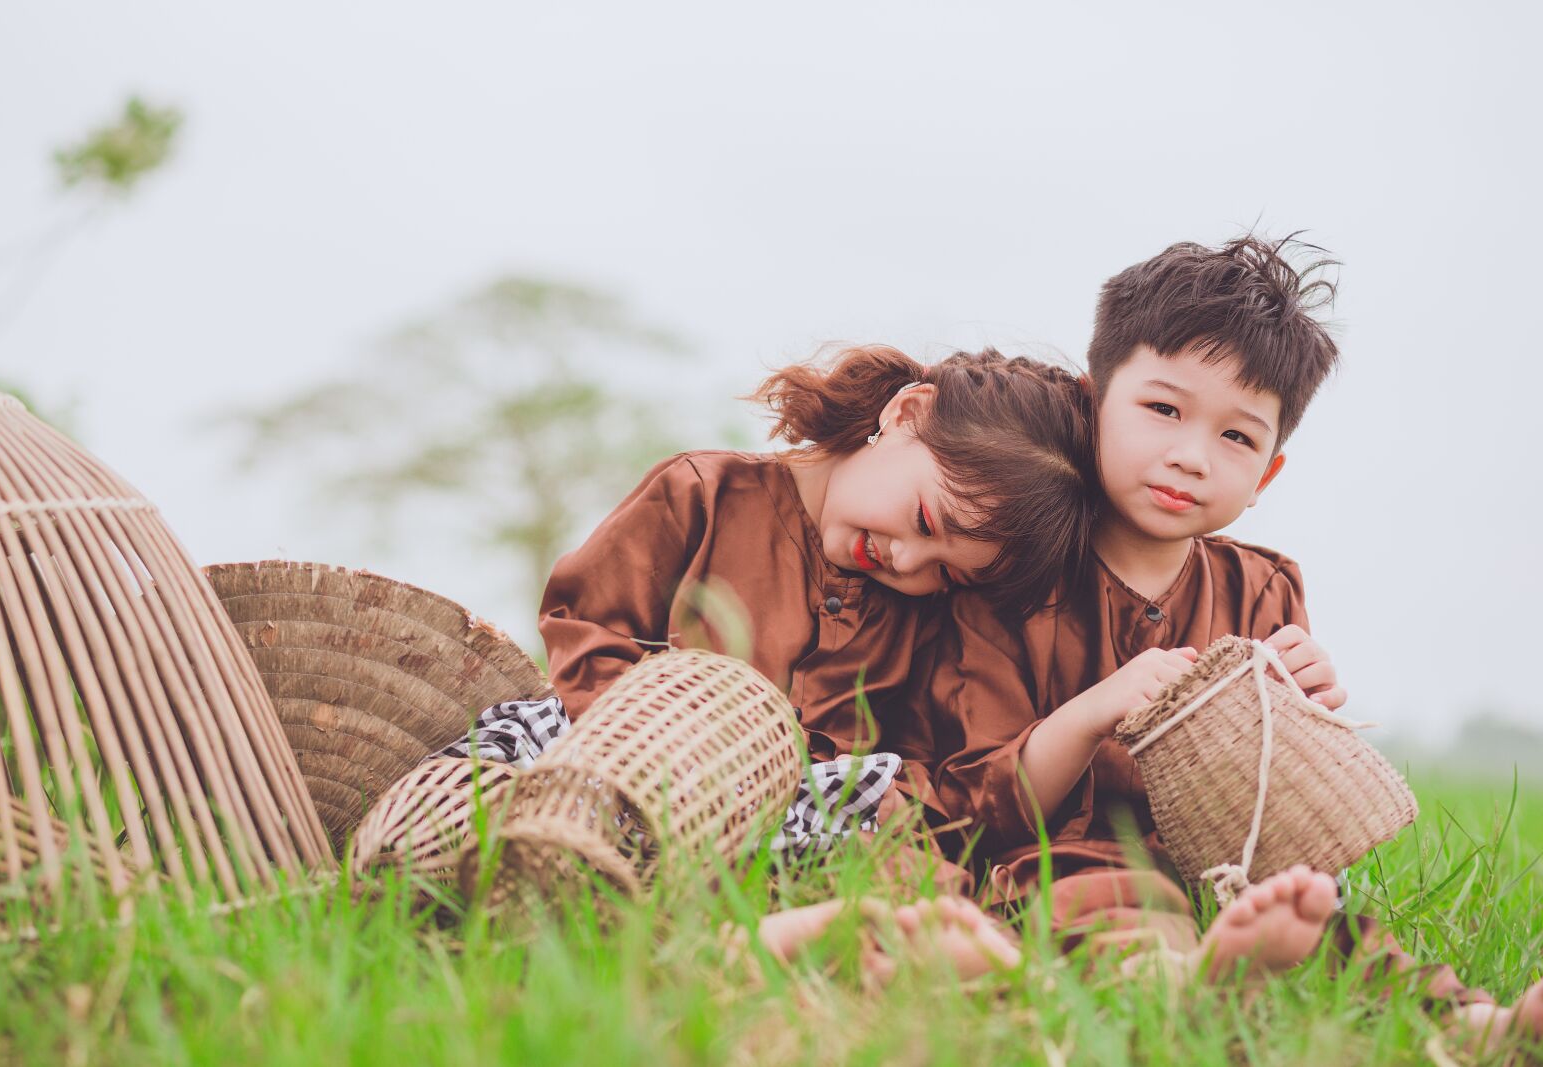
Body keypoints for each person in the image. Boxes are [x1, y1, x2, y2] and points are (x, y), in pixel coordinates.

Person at [893, 235, 1542, 1048]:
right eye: (1162, 409)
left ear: (1266, 472)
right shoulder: (1018, 565)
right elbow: (979, 807)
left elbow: (1272, 806)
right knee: (1105, 894)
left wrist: (1305, 712)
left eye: (1237, 438)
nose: (1190, 456)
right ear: (1095, 404)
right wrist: (1095, 710)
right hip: (1047, 863)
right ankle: (1185, 988)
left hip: (1218, 872)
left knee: (1323, 911)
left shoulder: (1263, 590)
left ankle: (1468, 1022)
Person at [539, 343, 1093, 825]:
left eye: (945, 572)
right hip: (642, 778)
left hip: (810, 828)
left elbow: (921, 764)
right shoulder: (703, 495)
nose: (906, 560)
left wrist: (871, 799)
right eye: (926, 519)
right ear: (906, 414)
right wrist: (678, 745)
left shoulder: (920, 616)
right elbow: (587, 634)